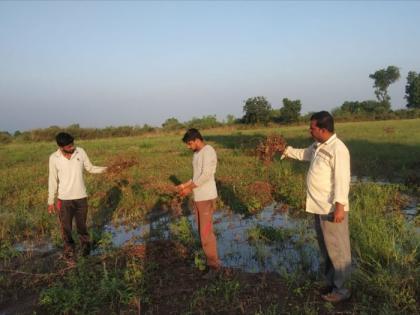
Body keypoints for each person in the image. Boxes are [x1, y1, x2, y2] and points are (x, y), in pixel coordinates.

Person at [281, 111, 352, 303]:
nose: (309, 130)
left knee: (338, 250)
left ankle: (342, 290)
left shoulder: (338, 149)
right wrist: (286, 150)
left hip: (331, 209)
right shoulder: (318, 146)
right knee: (327, 249)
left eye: (312, 128)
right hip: (318, 207)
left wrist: (339, 207)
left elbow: (342, 180)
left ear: (322, 129)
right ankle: (331, 283)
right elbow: (304, 154)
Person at [48, 132, 107, 260]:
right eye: (69, 146)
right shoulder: (54, 158)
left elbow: (90, 168)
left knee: (82, 226)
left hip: (81, 197)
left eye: (72, 144)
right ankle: (69, 248)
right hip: (64, 200)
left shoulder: (80, 152)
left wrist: (108, 169)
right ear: (61, 147)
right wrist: (50, 201)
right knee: (66, 227)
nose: (72, 147)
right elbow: (52, 180)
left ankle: (86, 247)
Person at [177, 128, 221, 278]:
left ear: (197, 140)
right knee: (204, 232)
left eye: (190, 144)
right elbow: (196, 177)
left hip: (206, 197)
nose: (189, 147)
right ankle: (211, 264)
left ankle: (214, 267)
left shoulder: (208, 151)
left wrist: (189, 189)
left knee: (206, 234)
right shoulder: (197, 154)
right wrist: (184, 185)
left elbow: (206, 175)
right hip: (199, 197)